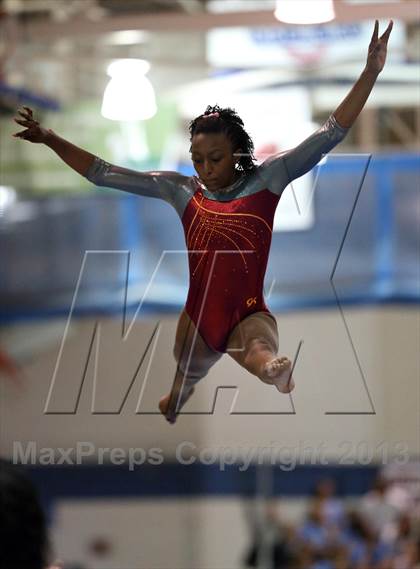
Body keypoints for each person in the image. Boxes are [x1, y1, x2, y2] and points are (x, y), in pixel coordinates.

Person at [12, 20, 393, 424]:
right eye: (198, 160)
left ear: (238, 153)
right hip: (198, 316)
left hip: (249, 311)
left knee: (258, 348)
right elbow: (103, 173)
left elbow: (329, 134)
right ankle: (179, 394)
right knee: (188, 370)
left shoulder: (269, 178)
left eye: (216, 158)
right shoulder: (182, 191)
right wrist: (52, 138)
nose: (206, 169)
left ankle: (273, 373)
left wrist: (369, 72)